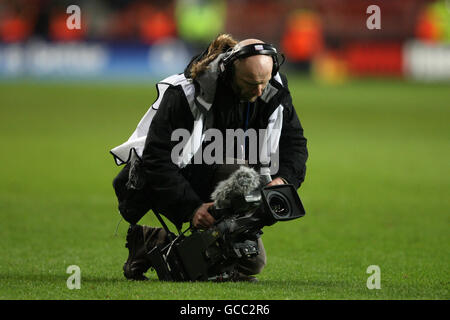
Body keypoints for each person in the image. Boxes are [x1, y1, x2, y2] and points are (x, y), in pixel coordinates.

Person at [111, 34, 308, 281]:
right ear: (229, 72)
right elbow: (156, 158)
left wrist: (283, 179)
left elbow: (295, 143)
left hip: (222, 173)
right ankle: (156, 245)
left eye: (264, 82)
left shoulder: (272, 89)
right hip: (164, 180)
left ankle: (156, 243)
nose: (259, 91)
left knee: (250, 263)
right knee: (240, 177)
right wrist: (191, 207)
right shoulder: (186, 94)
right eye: (250, 83)